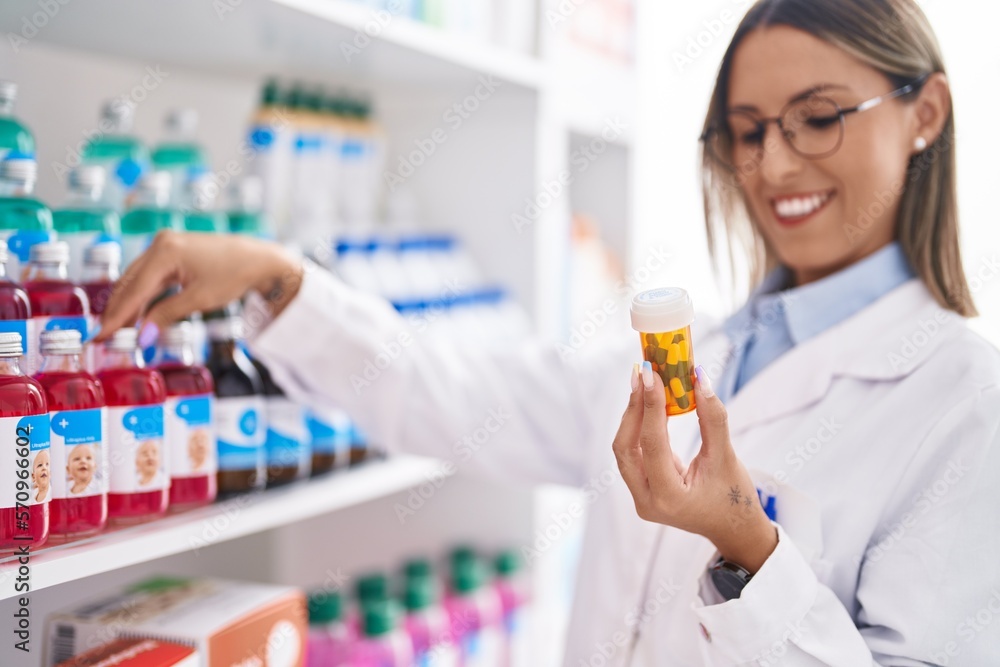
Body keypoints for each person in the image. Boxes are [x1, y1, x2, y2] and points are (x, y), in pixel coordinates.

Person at [97, 0, 1000, 663]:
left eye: (819, 118)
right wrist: (282, 279)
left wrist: (749, 552)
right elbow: (459, 394)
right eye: (747, 129)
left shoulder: (964, 402)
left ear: (924, 113)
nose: (773, 163)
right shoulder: (707, 351)